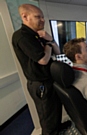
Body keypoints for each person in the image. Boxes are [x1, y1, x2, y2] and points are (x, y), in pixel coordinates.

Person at [12, 4, 71, 135]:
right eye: (38, 17)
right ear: (25, 17)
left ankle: (58, 128)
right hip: (40, 84)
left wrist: (50, 39)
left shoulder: (37, 36)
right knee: (47, 118)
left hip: (50, 80)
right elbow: (43, 60)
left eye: (43, 17)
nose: (42, 20)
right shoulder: (22, 36)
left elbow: (57, 51)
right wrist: (48, 45)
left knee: (55, 111)